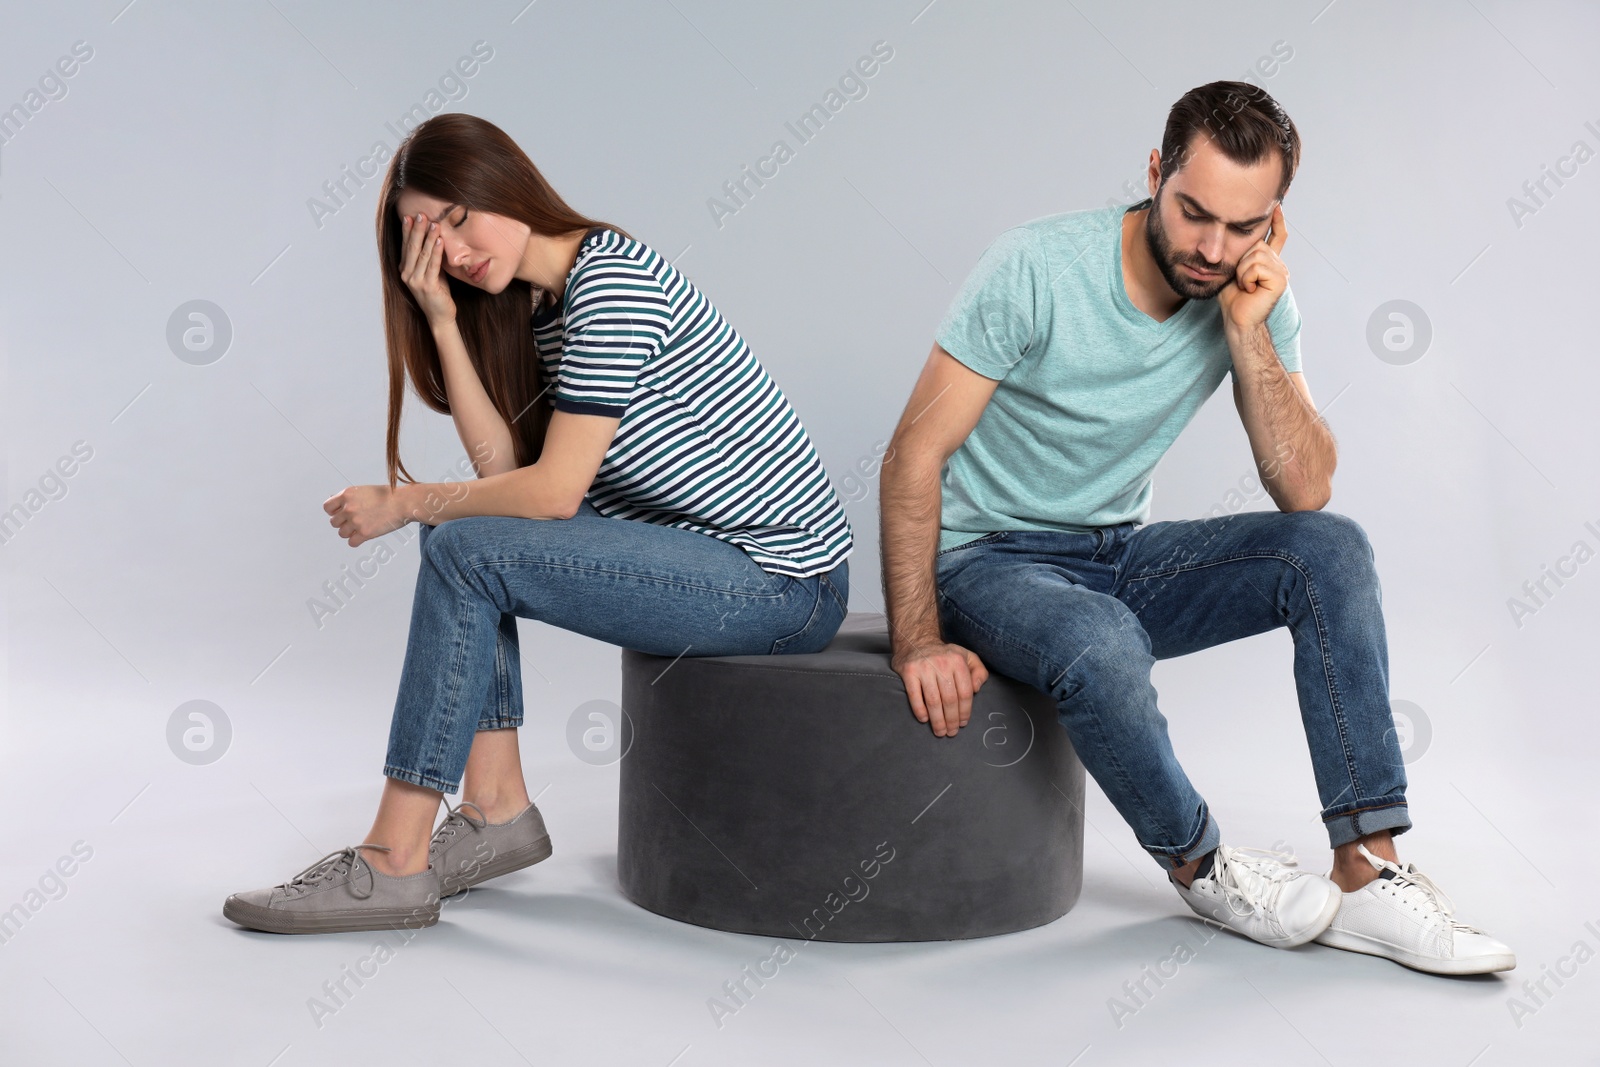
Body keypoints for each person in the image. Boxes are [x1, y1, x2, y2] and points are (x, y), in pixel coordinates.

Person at [877, 81, 1513, 975]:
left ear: (1274, 221)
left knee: (1331, 552)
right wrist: (916, 641)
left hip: (1117, 554)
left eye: (1242, 226)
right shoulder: (1032, 266)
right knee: (1097, 638)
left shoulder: (1247, 290)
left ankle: (1368, 870)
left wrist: (1247, 328)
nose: (1212, 248)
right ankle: (1202, 865)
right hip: (989, 562)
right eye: (1193, 213)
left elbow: (1306, 490)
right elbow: (911, 456)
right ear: (1154, 173)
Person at [224, 113, 853, 935]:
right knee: (456, 538)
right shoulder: (545, 306)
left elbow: (553, 496)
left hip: (781, 581)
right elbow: (504, 483)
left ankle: (394, 859)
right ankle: (494, 808)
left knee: (452, 537)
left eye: (457, 216)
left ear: (504, 184)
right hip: (716, 560)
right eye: (428, 239)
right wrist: (444, 321)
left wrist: (404, 497)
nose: (451, 249)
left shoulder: (612, 282)